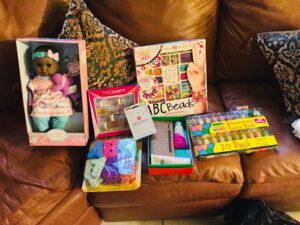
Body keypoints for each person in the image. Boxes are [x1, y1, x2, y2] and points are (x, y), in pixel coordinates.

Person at [28, 45, 74, 132]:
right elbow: (30, 92)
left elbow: (66, 86)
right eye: (39, 65)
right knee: (39, 117)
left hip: (59, 101)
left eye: (49, 65)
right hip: (42, 103)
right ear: (33, 66)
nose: (43, 69)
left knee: (63, 116)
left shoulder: (59, 77)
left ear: (58, 65)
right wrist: (30, 104)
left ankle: (57, 129)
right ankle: (44, 129)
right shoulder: (35, 80)